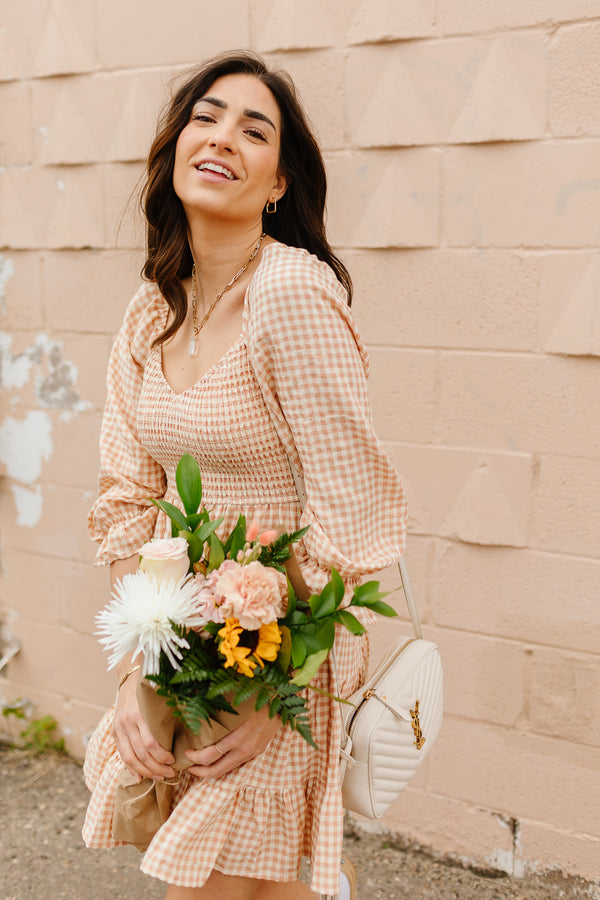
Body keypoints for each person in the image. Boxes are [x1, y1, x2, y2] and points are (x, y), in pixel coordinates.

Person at [82, 50, 406, 900]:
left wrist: (278, 693)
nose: (223, 137)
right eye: (206, 116)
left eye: (253, 130)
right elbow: (127, 497)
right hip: (178, 651)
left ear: (277, 184)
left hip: (284, 650)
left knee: (207, 887)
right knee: (246, 885)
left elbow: (352, 515)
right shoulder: (153, 306)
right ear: (176, 147)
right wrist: (136, 671)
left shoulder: (291, 296)